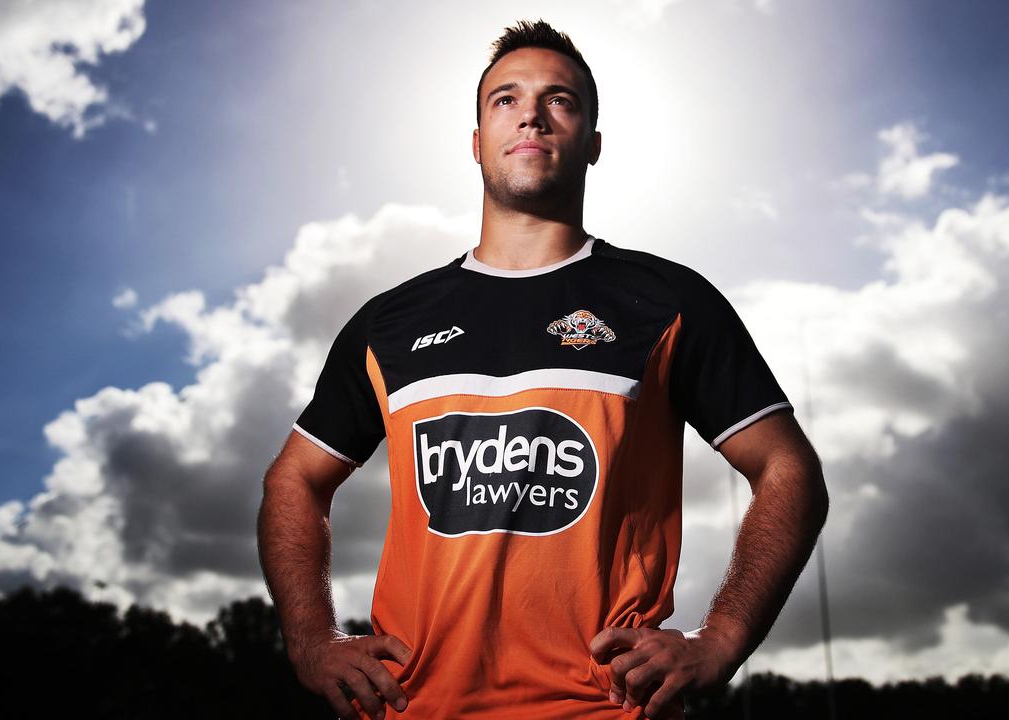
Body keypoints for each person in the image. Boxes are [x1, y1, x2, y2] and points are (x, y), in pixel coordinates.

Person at [257, 18, 828, 720]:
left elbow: (787, 467)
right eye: (505, 98)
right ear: (476, 143)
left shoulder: (667, 302)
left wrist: (724, 637)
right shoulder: (389, 323)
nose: (530, 112)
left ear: (592, 143)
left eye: (559, 99)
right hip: (414, 707)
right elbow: (294, 477)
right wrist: (311, 640)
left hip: (606, 710)